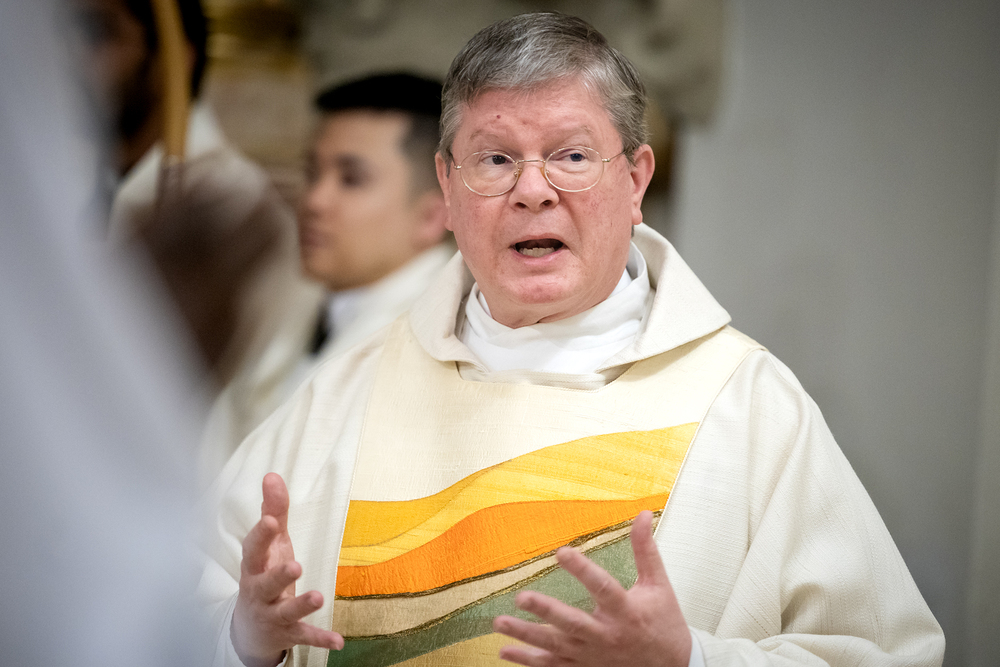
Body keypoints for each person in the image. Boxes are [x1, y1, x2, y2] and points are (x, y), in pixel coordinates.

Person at [199, 13, 945, 667]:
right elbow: (171, 595)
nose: (533, 190)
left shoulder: (746, 403)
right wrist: (242, 637)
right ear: (448, 188)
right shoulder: (352, 387)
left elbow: (886, 654)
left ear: (636, 180)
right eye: (496, 159)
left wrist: (686, 660)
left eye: (572, 155)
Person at [200, 73, 452, 482]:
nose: (314, 200)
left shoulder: (438, 346)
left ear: (432, 214)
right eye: (313, 173)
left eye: (351, 179)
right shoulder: (291, 298)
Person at [71, 0, 302, 386]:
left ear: (176, 59)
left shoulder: (236, 210)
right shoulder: (69, 187)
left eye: (97, 34)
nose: (71, 58)